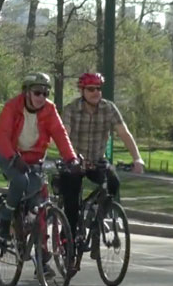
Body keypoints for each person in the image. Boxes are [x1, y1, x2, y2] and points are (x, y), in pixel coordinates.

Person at [0, 72, 78, 250]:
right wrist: (13, 157)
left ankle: (41, 256)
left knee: (37, 196)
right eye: (37, 92)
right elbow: (2, 136)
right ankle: (5, 218)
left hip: (34, 158)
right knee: (20, 180)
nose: (42, 97)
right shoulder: (12, 107)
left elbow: (60, 134)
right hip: (8, 154)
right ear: (26, 92)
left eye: (46, 93)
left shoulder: (49, 109)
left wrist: (71, 158)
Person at [60, 72, 145, 238]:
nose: (96, 93)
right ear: (82, 91)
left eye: (98, 89)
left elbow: (124, 133)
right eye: (91, 89)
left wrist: (137, 158)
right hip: (74, 161)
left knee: (113, 182)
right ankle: (67, 241)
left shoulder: (109, 108)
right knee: (71, 205)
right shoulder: (71, 109)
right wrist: (72, 158)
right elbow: (65, 135)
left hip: (97, 160)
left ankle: (98, 218)